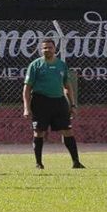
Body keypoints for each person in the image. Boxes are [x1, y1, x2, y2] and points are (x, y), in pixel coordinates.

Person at [22, 38, 84, 170]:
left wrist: (72, 105)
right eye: (44, 48)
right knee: (39, 132)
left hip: (59, 102)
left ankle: (76, 162)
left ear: (55, 49)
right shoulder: (35, 65)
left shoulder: (61, 65)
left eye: (50, 47)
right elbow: (27, 89)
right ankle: (39, 163)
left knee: (68, 131)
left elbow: (67, 86)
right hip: (40, 102)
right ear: (41, 50)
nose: (47, 50)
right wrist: (26, 108)